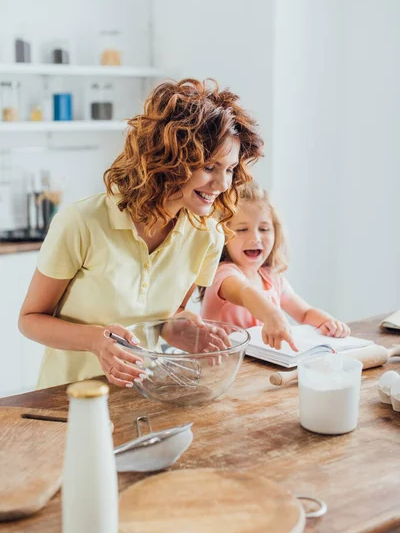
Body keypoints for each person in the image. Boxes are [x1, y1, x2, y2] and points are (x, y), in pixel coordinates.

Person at [19, 79, 264, 389]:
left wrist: (178, 330)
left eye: (229, 169)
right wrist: (97, 341)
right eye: (210, 167)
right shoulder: (81, 222)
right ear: (169, 159)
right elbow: (29, 319)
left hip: (145, 392)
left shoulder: (207, 235)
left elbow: (165, 316)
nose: (223, 184)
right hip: (66, 398)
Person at [200, 182, 350, 350]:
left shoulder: (272, 277)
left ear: (275, 232)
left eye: (264, 229)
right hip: (223, 366)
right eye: (242, 229)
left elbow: (304, 312)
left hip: (258, 366)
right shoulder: (224, 274)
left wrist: (328, 322)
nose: (256, 237)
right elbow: (244, 293)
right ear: (224, 236)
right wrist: (272, 314)